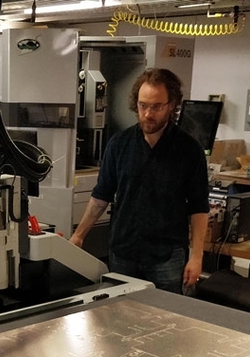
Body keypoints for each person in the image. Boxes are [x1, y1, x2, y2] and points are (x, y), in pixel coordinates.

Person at [69, 68, 209, 294]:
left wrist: (197, 256)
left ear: (172, 105)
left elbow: (199, 207)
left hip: (167, 256)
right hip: (124, 252)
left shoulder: (189, 150)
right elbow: (101, 195)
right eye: (143, 105)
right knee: (120, 312)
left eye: (156, 107)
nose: (148, 114)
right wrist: (79, 235)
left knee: (164, 314)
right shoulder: (119, 144)